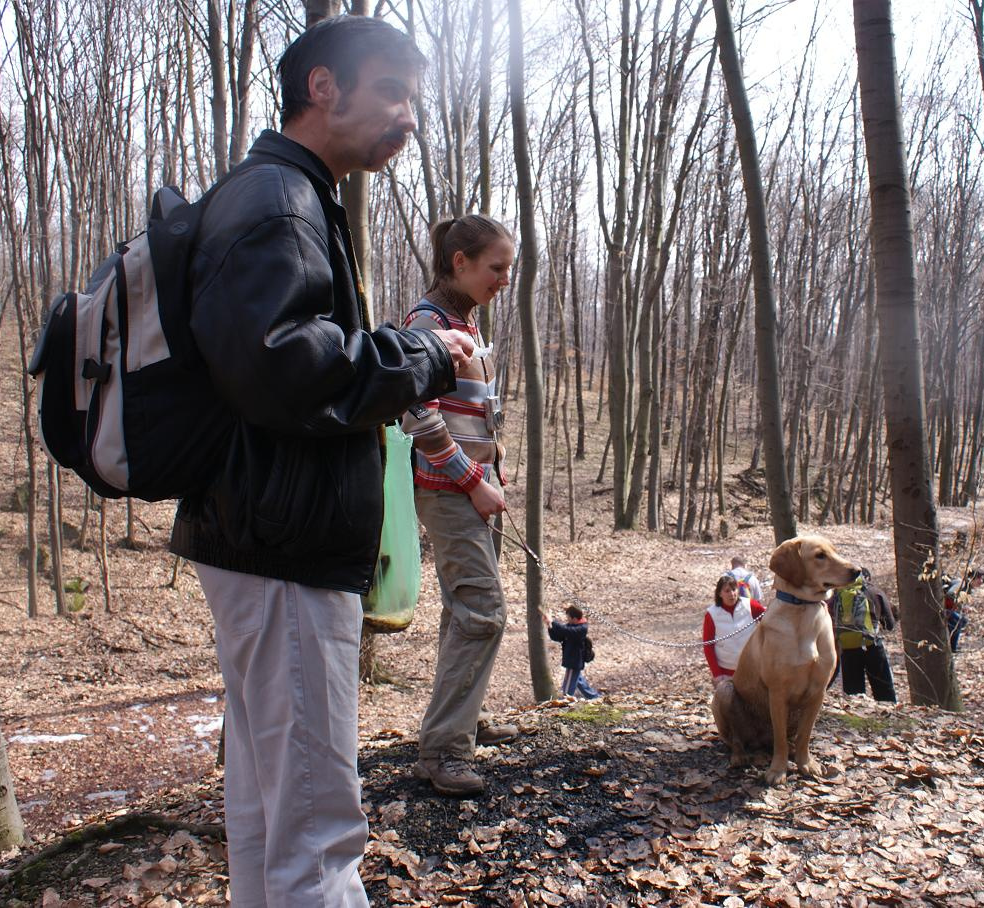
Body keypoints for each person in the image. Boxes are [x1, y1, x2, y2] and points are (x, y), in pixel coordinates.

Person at [170, 17, 474, 908]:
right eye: (391, 92)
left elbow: (288, 354)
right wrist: (425, 358)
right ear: (323, 88)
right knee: (315, 824)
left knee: (272, 811)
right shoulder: (278, 201)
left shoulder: (291, 195)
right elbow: (283, 368)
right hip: (285, 543)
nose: (408, 117)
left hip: (265, 535)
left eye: (413, 98)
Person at [401, 213, 515, 797]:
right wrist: (472, 480)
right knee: (482, 611)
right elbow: (416, 412)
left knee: (464, 609)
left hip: (477, 488)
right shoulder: (428, 323)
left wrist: (489, 478)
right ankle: (443, 752)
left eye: (508, 270)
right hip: (450, 490)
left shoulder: (462, 319)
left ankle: (461, 720)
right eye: (496, 268)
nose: (503, 280)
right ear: (460, 262)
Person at [830, 570, 898, 702]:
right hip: (872, 645)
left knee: (853, 693)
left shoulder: (837, 594)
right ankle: (888, 715)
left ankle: (857, 716)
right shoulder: (875, 592)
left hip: (847, 647)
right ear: (867, 578)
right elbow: (889, 624)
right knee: (884, 690)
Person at [704, 574, 766, 682]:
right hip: (726, 672)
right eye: (727, 591)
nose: (732, 594)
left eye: (734, 589)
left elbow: (769, 621)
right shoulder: (712, 614)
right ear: (719, 594)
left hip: (752, 668)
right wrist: (717, 674)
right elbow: (708, 646)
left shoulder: (750, 605)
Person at [542, 606, 598, 698]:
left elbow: (566, 631)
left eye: (568, 617)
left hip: (574, 660)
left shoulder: (581, 628)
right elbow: (558, 636)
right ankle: (594, 697)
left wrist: (552, 621)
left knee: (567, 688)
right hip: (571, 659)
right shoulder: (571, 626)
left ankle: (565, 701)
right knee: (579, 681)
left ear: (574, 618)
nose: (567, 619)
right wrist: (549, 625)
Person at [943, 568, 984, 653]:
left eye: (982, 579)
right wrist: (960, 606)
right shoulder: (961, 584)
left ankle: (951, 646)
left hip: (948, 610)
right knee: (959, 621)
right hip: (942, 608)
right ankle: (952, 648)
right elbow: (950, 594)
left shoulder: (968, 589)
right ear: (971, 578)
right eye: (979, 578)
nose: (981, 581)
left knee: (962, 621)